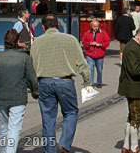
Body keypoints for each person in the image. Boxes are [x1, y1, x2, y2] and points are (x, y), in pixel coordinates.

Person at [30, 15, 93, 153]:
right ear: (58, 25)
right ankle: (64, 144)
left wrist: (32, 86)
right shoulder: (70, 40)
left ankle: (50, 150)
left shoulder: (36, 42)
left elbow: (32, 66)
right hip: (65, 81)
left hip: (44, 82)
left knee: (48, 118)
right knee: (70, 112)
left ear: (43, 27)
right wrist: (87, 82)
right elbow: (82, 63)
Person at [118, 26, 140, 153]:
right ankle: (134, 147)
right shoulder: (132, 48)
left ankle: (127, 146)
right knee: (136, 116)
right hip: (133, 86)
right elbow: (135, 70)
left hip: (135, 86)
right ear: (139, 35)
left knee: (132, 116)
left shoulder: (139, 47)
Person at [82, 19, 110, 88]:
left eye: (97, 26)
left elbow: (107, 42)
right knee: (90, 69)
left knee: (99, 70)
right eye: (94, 26)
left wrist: (100, 45)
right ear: (91, 26)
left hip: (99, 55)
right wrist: (91, 43)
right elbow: (84, 43)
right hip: (90, 55)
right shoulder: (87, 33)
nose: (96, 28)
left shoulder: (103, 33)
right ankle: (91, 83)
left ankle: (99, 82)